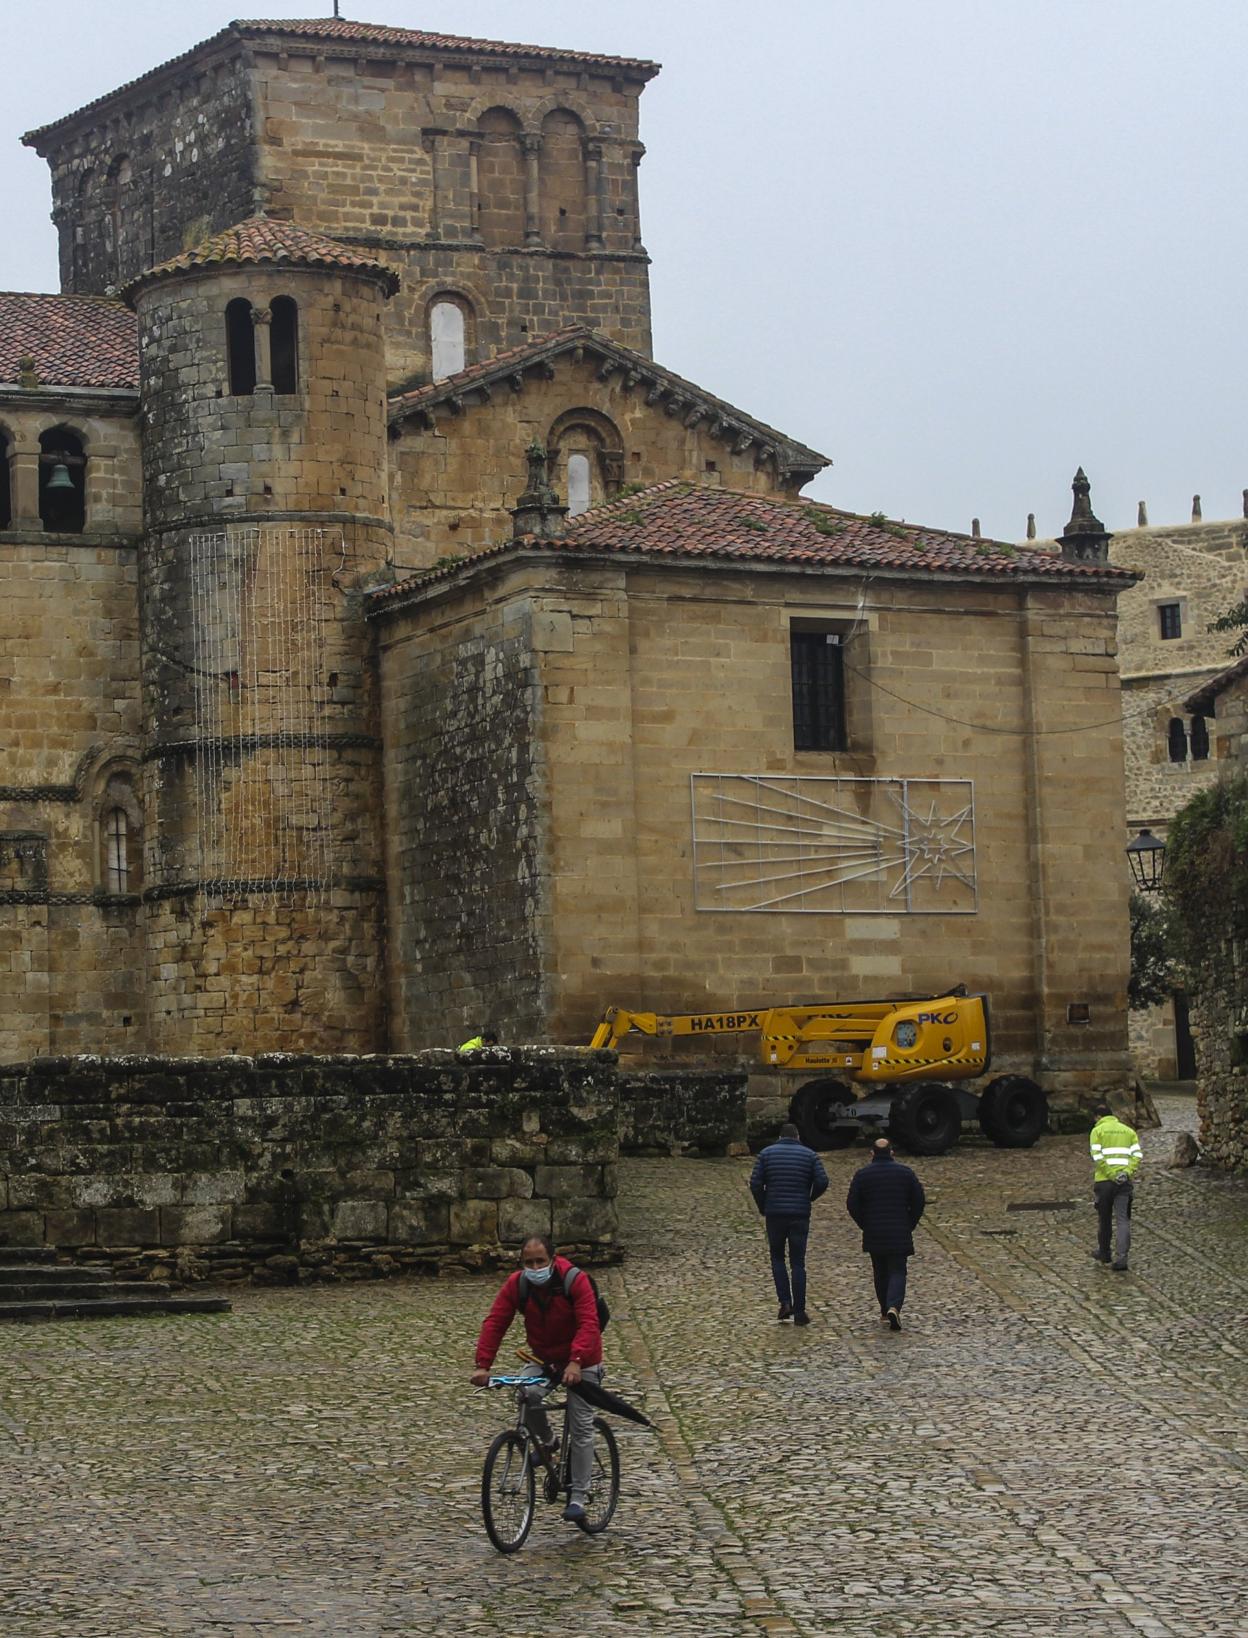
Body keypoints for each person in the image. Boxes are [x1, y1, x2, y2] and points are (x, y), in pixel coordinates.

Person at [471, 1234, 603, 1525]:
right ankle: (548, 1443)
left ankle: (578, 1496)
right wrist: (483, 1365)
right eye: (529, 1262)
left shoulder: (574, 1280)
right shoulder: (517, 1285)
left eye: (540, 1261)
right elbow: (496, 1321)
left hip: (583, 1360)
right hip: (544, 1360)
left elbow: (589, 1323)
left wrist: (577, 1361)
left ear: (552, 1260)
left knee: (581, 1426)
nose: (535, 1267)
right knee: (526, 1394)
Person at [749, 1121, 829, 1325]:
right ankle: (800, 1311)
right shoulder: (810, 1155)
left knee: (777, 1258)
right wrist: (809, 1197)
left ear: (779, 1137)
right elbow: (822, 1181)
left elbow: (756, 1183)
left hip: (775, 1213)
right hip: (799, 1214)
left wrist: (763, 1205)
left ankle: (785, 1302)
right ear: (798, 1137)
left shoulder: (766, 1154)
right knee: (798, 1262)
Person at [845, 1136, 926, 1330]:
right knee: (898, 1270)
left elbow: (852, 1204)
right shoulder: (906, 1174)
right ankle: (894, 1305)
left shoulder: (862, 1175)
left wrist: (865, 1223)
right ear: (892, 1153)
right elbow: (918, 1200)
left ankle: (884, 1309)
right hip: (899, 1230)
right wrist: (910, 1223)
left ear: (872, 1154)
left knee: (880, 1271)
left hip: (874, 1231)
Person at [1089, 1101, 1143, 1271]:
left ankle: (1104, 1253)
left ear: (1098, 1117)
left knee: (1104, 1219)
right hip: (1124, 1183)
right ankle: (1122, 1258)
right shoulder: (1128, 1131)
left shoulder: (1097, 1131)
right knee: (1122, 1220)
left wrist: (1111, 1174)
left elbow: (1097, 1156)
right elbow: (1137, 1155)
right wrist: (1126, 1172)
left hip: (1104, 1183)